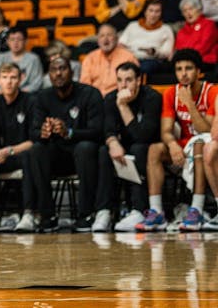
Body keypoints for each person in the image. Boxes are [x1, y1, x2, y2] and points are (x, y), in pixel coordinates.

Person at [137, 49, 215, 232]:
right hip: (184, 145)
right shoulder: (171, 93)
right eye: (179, 69)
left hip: (207, 147)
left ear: (199, 72)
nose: (183, 74)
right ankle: (156, 212)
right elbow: (166, 130)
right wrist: (172, 145)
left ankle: (196, 209)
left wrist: (189, 104)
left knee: (199, 144)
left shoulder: (212, 91)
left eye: (188, 68)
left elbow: (207, 130)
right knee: (155, 149)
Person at [29, 57, 103, 232]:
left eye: (62, 68)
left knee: (85, 148)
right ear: (49, 75)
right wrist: (43, 132)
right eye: (53, 70)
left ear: (72, 72)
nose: (58, 73)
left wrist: (68, 132)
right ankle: (47, 215)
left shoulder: (90, 93)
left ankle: (85, 214)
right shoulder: (42, 97)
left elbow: (98, 131)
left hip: (84, 158)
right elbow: (32, 132)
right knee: (37, 149)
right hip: (56, 158)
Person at [94, 62, 162, 232]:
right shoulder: (110, 98)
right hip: (123, 146)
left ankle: (139, 210)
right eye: (119, 80)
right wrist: (112, 142)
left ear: (139, 80)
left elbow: (142, 136)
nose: (123, 85)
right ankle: (104, 211)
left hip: (148, 146)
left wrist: (123, 106)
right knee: (104, 151)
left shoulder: (152, 98)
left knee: (138, 148)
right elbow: (108, 129)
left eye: (128, 80)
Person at [0, 63, 37, 232]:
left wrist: (7, 151)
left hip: (22, 154)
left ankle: (29, 214)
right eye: (5, 78)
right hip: (0, 156)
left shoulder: (31, 101)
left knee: (31, 155)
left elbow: (34, 140)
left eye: (13, 77)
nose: (9, 82)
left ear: (21, 79)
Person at [80, 24, 139, 97]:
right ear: (98, 40)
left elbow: (134, 84)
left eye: (109, 35)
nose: (105, 39)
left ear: (116, 38)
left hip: (119, 98)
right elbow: (85, 85)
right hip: (95, 99)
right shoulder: (90, 58)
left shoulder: (129, 57)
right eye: (102, 36)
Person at [119, 0, 174, 75]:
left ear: (161, 13)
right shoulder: (132, 25)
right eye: (151, 11)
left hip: (150, 60)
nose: (153, 14)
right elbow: (121, 44)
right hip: (130, 58)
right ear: (145, 12)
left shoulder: (166, 29)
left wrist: (154, 52)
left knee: (144, 67)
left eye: (157, 11)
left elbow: (167, 52)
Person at [0, 26, 44, 94]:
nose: (15, 42)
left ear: (26, 41)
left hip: (25, 97)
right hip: (2, 96)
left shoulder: (33, 59)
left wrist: (15, 94)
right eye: (12, 39)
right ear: (7, 41)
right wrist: (4, 94)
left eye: (19, 39)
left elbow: (36, 84)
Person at [174, 0, 218, 65]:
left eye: (191, 9)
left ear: (199, 9)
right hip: (185, 64)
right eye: (185, 11)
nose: (188, 13)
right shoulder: (182, 31)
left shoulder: (209, 24)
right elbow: (179, 50)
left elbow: (205, 46)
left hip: (205, 61)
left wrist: (188, 58)